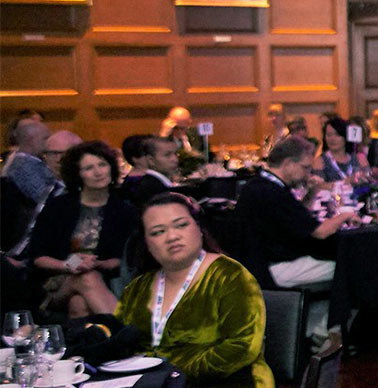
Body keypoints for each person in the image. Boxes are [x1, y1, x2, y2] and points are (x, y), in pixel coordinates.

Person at [115, 193, 272, 388]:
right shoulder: (138, 287)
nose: (172, 237)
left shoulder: (230, 276)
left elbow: (242, 347)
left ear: (199, 228)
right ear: (147, 243)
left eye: (181, 225)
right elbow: (120, 342)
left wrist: (173, 375)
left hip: (225, 381)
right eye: (158, 232)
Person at [27, 140, 134, 318]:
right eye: (89, 168)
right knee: (87, 277)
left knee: (79, 304)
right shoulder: (59, 207)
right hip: (57, 282)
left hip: (106, 280)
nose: (98, 172)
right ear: (78, 174)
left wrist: (96, 264)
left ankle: (91, 343)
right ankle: (127, 333)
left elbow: (124, 260)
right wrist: (68, 265)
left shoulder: (124, 210)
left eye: (102, 165)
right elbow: (38, 257)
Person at [239, 137, 355, 291]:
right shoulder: (272, 193)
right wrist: (347, 214)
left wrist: (313, 192)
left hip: (258, 262)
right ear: (288, 164)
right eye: (305, 168)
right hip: (273, 268)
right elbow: (320, 232)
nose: (308, 174)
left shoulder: (259, 185)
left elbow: (295, 218)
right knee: (351, 264)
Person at [121, 134, 181, 206]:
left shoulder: (151, 181)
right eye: (167, 155)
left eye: (176, 154)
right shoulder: (147, 186)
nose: (174, 159)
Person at [314, 118, 366, 183]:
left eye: (337, 135)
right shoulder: (320, 161)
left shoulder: (358, 158)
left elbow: (369, 181)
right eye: (329, 135)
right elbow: (317, 187)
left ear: (345, 136)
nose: (332, 139)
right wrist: (346, 182)